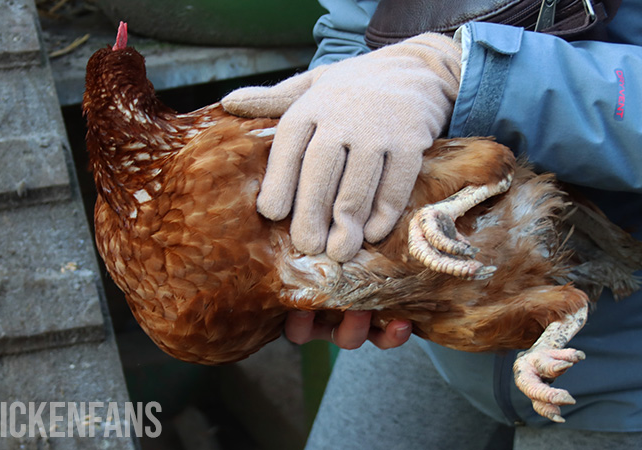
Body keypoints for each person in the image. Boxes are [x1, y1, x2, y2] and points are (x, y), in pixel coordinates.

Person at [222, 0, 642, 448]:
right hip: (435, 331)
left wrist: (464, 75)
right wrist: (351, 91)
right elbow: (355, 24)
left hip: (621, 362)